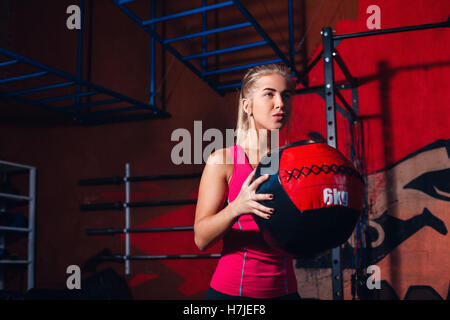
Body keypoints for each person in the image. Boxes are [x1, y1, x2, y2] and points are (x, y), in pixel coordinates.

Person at [194, 64, 301, 300]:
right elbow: (201, 238)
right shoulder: (223, 160)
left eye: (285, 95)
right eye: (269, 94)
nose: (281, 103)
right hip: (234, 294)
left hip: (285, 292)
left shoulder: (293, 160)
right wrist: (237, 207)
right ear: (246, 105)